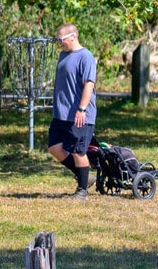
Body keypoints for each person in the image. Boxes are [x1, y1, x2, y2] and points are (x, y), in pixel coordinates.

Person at [48, 23, 97, 200]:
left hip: (79, 114)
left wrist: (82, 109)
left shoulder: (85, 56)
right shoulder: (63, 55)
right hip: (61, 114)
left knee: (78, 151)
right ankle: (85, 176)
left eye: (61, 39)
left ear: (73, 37)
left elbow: (89, 84)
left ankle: (82, 191)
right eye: (57, 40)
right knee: (54, 147)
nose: (59, 43)